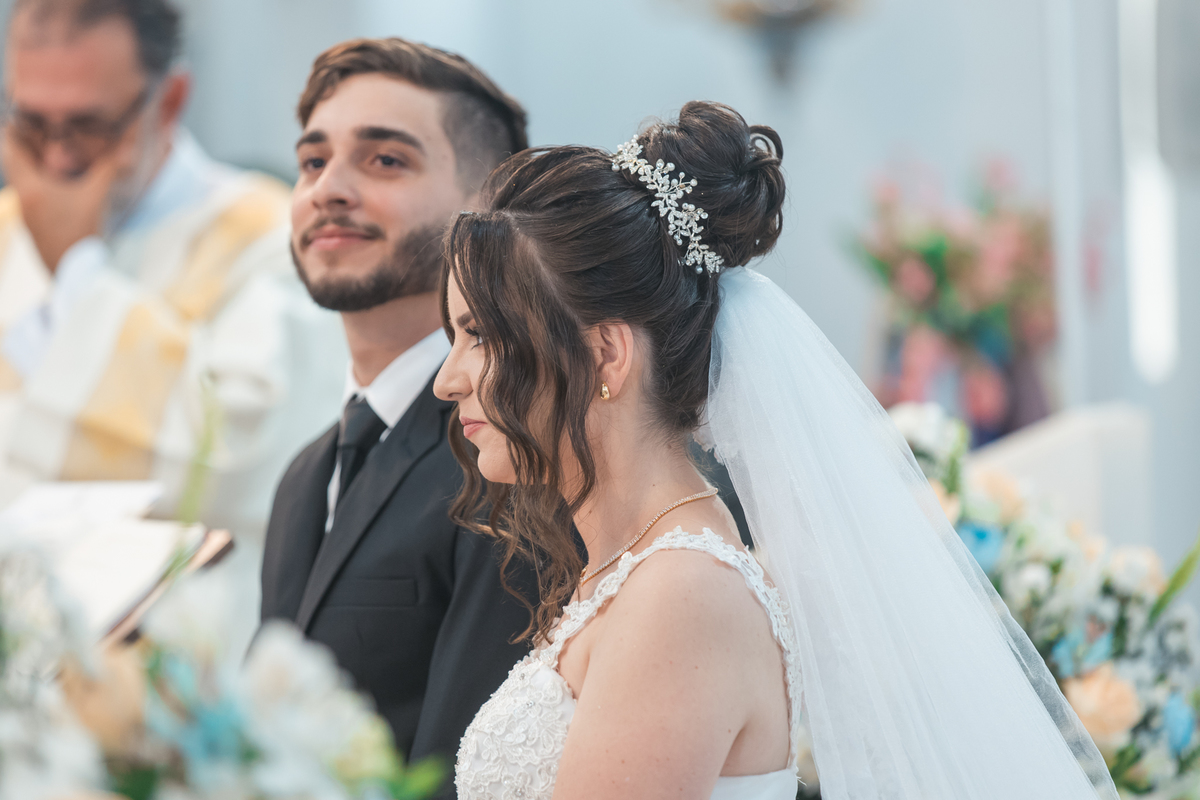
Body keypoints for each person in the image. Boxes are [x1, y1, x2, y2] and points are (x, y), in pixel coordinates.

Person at [435, 102, 1122, 799]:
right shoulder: (633, 570)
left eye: (480, 336)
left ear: (607, 354)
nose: (448, 379)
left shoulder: (681, 593)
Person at [258, 38, 534, 785]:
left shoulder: (513, 458)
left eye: (385, 160)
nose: (328, 189)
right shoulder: (305, 476)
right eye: (312, 161)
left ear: (487, 209)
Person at [0, 0, 345, 536]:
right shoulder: (7, 227)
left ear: (170, 101)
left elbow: (248, 458)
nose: (56, 158)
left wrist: (74, 267)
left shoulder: (275, 241)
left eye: (89, 126)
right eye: (32, 124)